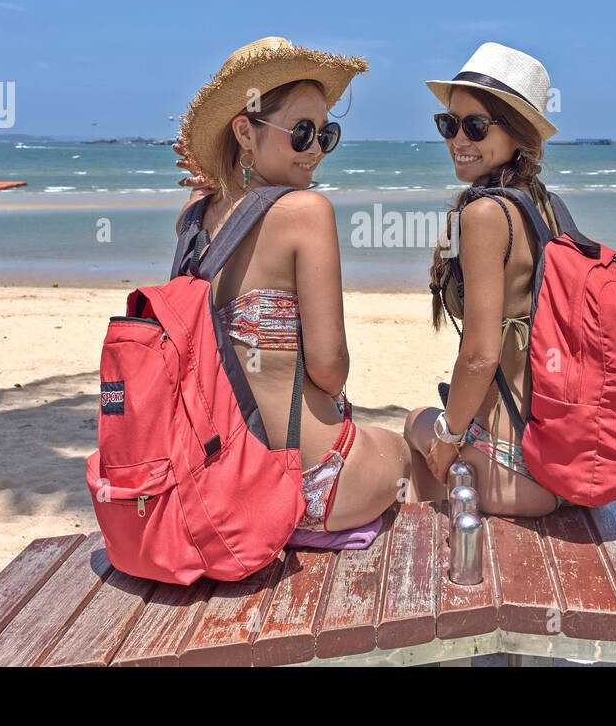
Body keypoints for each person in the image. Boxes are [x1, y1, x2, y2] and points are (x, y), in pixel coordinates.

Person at [173, 36, 409, 533]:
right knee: (408, 449)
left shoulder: (191, 222)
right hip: (308, 485)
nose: (317, 150)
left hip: (220, 489)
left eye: (327, 134)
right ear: (245, 130)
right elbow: (329, 370)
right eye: (301, 132)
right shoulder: (306, 213)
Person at [403, 42, 565, 517]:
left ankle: (439, 557)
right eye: (448, 124)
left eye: (475, 125)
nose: (458, 138)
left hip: (517, 471)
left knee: (415, 427)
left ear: (517, 134)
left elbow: (479, 356)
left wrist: (448, 440)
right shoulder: (542, 205)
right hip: (558, 459)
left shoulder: (486, 214)